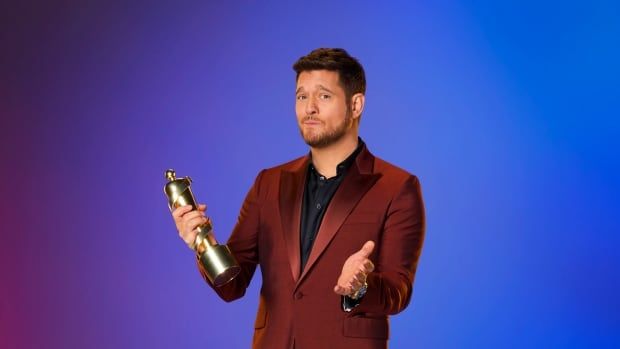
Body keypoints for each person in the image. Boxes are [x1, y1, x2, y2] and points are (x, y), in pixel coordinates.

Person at [171, 48, 426, 349]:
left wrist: (360, 287)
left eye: (324, 96)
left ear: (356, 105)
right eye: (301, 96)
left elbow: (399, 291)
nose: (309, 109)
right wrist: (203, 243)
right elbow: (232, 286)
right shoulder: (269, 183)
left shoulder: (397, 187)